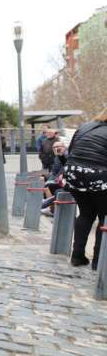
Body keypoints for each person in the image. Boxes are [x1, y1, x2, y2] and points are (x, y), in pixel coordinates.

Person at [61, 109, 107, 269]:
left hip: (74, 173)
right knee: (104, 218)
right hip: (98, 175)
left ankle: (77, 255)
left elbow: (71, 151)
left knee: (86, 214)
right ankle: (98, 262)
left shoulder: (85, 126)